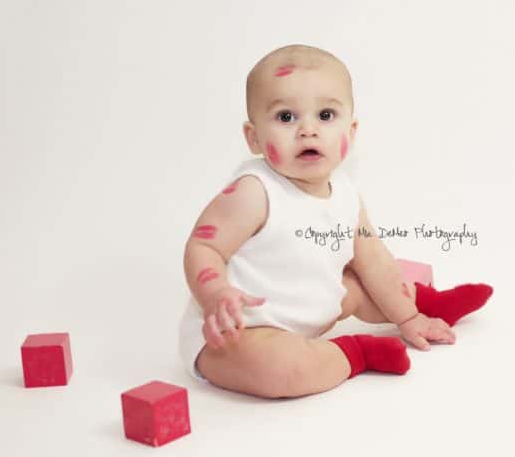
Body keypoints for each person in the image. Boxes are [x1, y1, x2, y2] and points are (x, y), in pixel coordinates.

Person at [177, 44, 493, 399]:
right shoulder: (253, 192)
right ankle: (356, 353)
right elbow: (204, 245)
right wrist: (216, 293)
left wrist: (407, 317)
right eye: (286, 117)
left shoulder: (345, 193)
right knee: (282, 371)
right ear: (253, 138)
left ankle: (427, 305)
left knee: (364, 284)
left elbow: (374, 261)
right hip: (245, 329)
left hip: (313, 304)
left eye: (325, 115)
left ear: (352, 130)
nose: (308, 130)